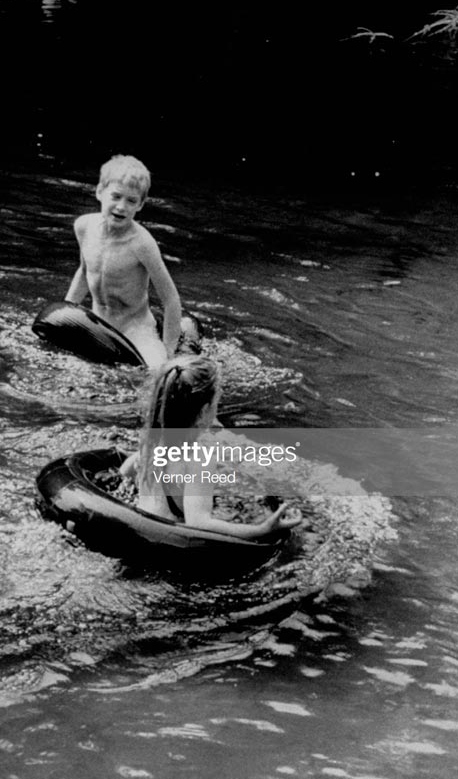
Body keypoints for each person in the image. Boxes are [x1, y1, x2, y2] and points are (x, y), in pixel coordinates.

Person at [119, 355, 302, 535]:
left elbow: (124, 472)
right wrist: (263, 529)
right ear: (206, 410)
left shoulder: (151, 444)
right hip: (169, 549)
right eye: (216, 402)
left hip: (141, 535)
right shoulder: (198, 458)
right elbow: (198, 523)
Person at [66, 154, 182, 368]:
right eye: (116, 196)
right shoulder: (84, 227)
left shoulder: (142, 244)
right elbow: (83, 272)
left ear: (141, 205)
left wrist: (168, 353)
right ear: (100, 192)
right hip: (98, 326)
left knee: (153, 371)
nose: (122, 207)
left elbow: (171, 300)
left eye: (131, 201)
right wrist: (65, 313)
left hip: (135, 329)